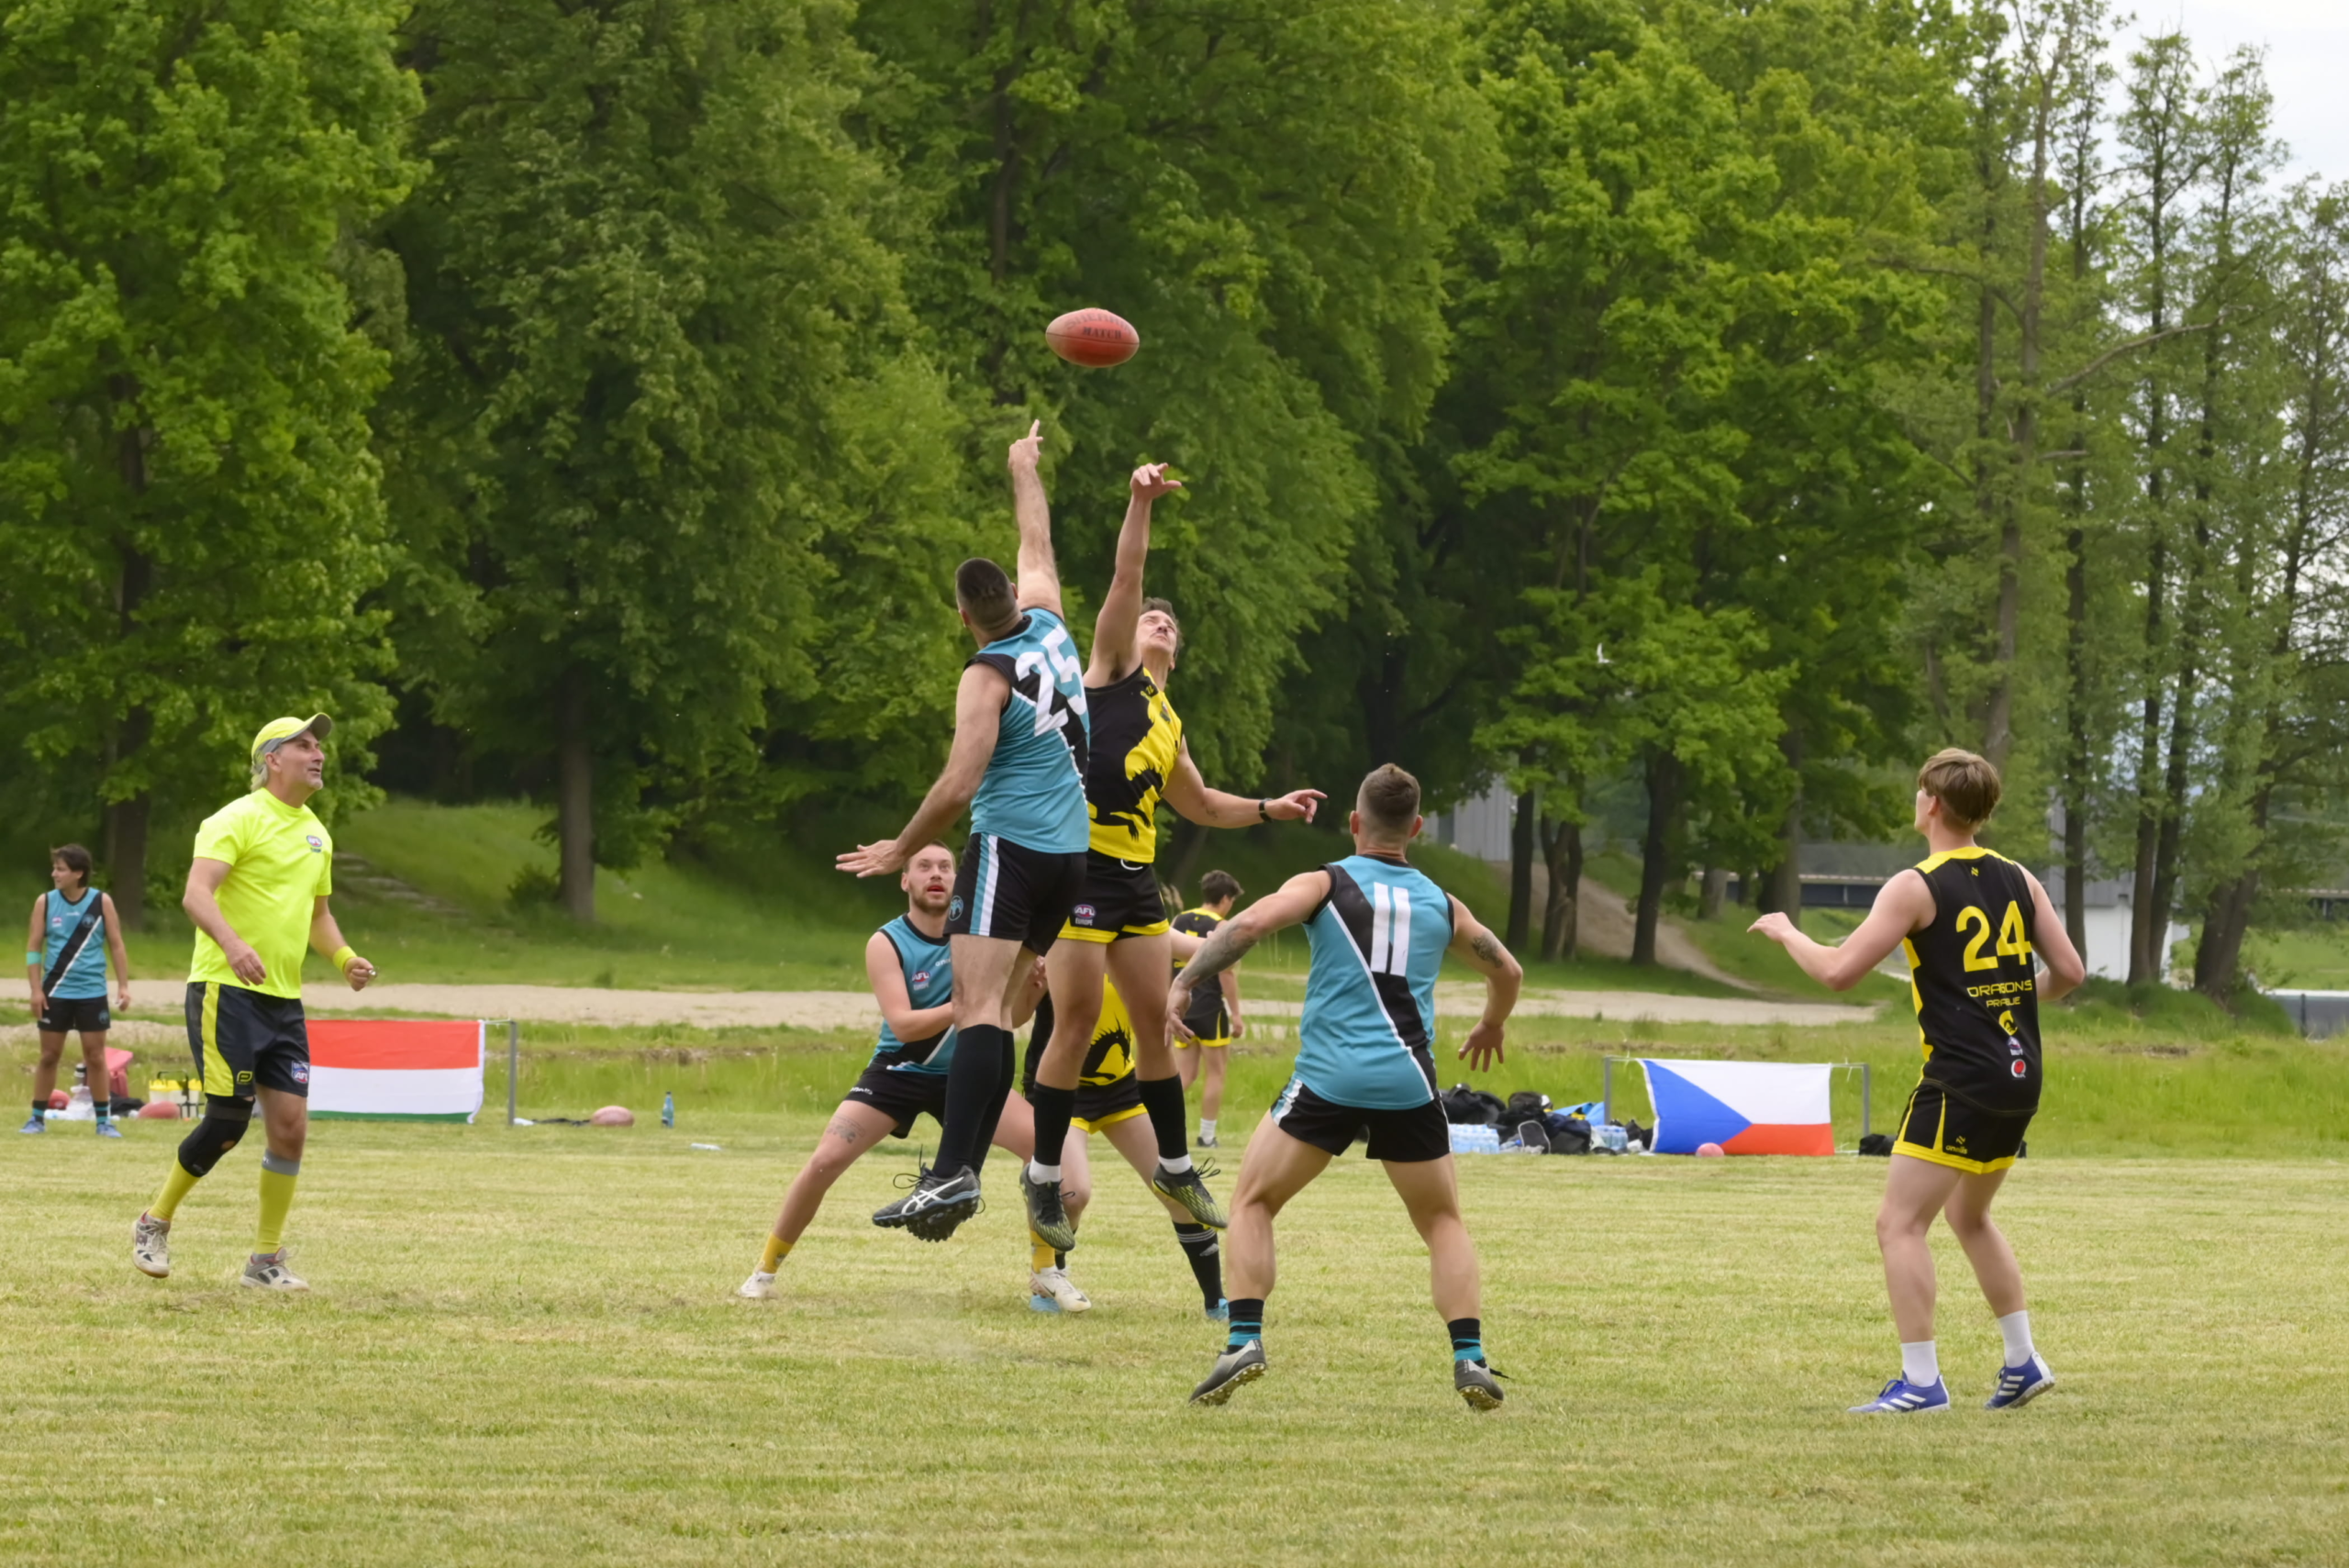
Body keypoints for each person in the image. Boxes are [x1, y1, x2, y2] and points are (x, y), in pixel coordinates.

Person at [1019, 462, 1322, 1256]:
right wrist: (1139, 501)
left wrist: (1269, 808)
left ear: (1177, 653)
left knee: (1163, 1021)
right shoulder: (1110, 671)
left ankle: (1180, 1163)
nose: (1157, 623)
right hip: (1078, 869)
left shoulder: (1169, 721)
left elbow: (1198, 804)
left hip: (1134, 882)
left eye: (1168, 626)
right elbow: (1129, 572)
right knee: (1077, 1023)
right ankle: (1045, 1172)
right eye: (1151, 619)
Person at [1170, 764, 1521, 1410]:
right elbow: (1508, 968)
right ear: (1415, 830)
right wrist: (1491, 1022)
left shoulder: (1324, 881)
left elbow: (1245, 927)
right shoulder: (1443, 902)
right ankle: (1469, 1356)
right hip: (1407, 1083)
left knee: (1252, 1201)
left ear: (1356, 823)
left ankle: (1244, 1337)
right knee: (1443, 1221)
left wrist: (1188, 979)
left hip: (1329, 1079)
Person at [1749, 748, 2085, 1415]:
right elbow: (2070, 971)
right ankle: (2021, 1361)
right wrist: (2007, 1006)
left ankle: (1922, 1382)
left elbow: (1840, 971)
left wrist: (1788, 930)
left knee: (1898, 1223)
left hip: (1960, 1077)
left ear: (1931, 802)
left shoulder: (1915, 884)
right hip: (2020, 1073)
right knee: (1970, 1213)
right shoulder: (2020, 877)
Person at [837, 420, 1098, 1241]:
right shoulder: (1053, 624)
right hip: (1072, 858)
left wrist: (900, 847)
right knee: (1001, 1011)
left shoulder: (986, 675)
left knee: (978, 1006)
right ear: (1015, 601)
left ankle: (954, 1175)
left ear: (963, 617)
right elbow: (1037, 537)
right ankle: (966, 1170)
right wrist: (1024, 465)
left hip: (1012, 851)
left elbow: (958, 782)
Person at [130, 716, 377, 1291]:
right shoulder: (234, 818)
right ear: (272, 758)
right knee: (226, 1123)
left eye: (319, 746)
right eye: (304, 745)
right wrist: (234, 944)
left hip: (283, 1001)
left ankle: (265, 1260)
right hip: (226, 991)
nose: (318, 755)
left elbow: (319, 916)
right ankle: (153, 1220)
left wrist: (344, 960)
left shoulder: (318, 832)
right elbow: (196, 894)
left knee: (290, 1130)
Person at [740, 844, 1048, 1294]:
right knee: (825, 1161)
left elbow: (1009, 1019)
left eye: (945, 867)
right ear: (905, 881)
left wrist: (1031, 989)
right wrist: (963, 1005)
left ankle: (1045, 1274)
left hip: (965, 1073)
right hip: (900, 1071)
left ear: (959, 882)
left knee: (1046, 1150)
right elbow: (903, 1025)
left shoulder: (982, 940)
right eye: (923, 867)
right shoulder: (887, 941)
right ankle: (764, 1271)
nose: (936, 874)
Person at [1018, 967, 1229, 1320]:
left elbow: (1193, 946)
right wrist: (1029, 977)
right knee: (1073, 1194)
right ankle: (1048, 1277)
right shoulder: (1055, 940)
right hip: (1061, 1092)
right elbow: (1012, 1015)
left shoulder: (1131, 935)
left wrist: (1199, 968)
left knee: (1178, 1189)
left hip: (1122, 1090)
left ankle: (1217, 1302)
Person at [22, 844, 133, 1137]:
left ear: (78, 873)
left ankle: (103, 1121)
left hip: (91, 991)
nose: (54, 874)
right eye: (55, 868)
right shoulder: (45, 902)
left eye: (60, 869)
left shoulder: (101, 902)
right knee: (49, 1055)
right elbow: (33, 948)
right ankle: (36, 1119)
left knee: (95, 1057)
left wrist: (123, 985)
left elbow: (117, 944)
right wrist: (36, 990)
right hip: (54, 992)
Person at [1169, 871, 1245, 1148]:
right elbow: (1226, 974)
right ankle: (1207, 1136)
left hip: (1183, 1004)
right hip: (1210, 1006)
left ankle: (1153, 1123)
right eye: (1232, 900)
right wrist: (1236, 1014)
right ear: (1225, 898)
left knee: (1184, 1075)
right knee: (1216, 1072)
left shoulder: (1179, 919)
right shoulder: (1222, 925)